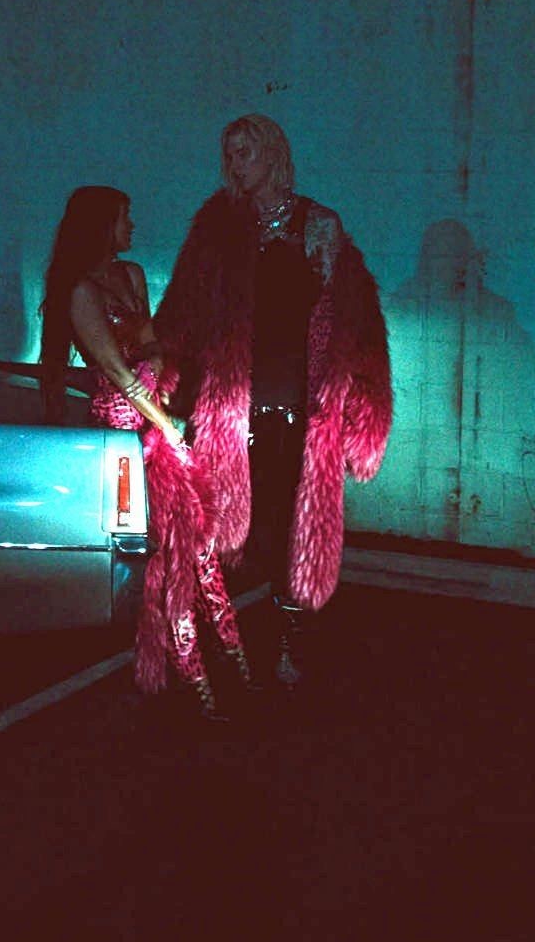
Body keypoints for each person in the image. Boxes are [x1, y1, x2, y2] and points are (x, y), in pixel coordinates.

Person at [155, 116, 392, 684]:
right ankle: (219, 649)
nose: (237, 164)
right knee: (221, 535)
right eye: (230, 154)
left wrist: (365, 416)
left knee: (292, 536)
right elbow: (183, 313)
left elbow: (356, 326)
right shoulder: (217, 228)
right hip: (229, 411)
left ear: (273, 155)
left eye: (247, 152)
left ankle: (288, 644)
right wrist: (159, 383)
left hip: (300, 412)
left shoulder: (319, 226)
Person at [40, 185, 251, 719]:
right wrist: (169, 428)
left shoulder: (130, 276)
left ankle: (236, 670)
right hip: (124, 437)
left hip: (154, 425)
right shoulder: (81, 292)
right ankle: (199, 687)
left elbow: (153, 345)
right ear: (101, 225)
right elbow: (119, 374)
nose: (131, 226)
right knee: (172, 558)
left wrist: (158, 380)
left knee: (199, 548)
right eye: (124, 218)